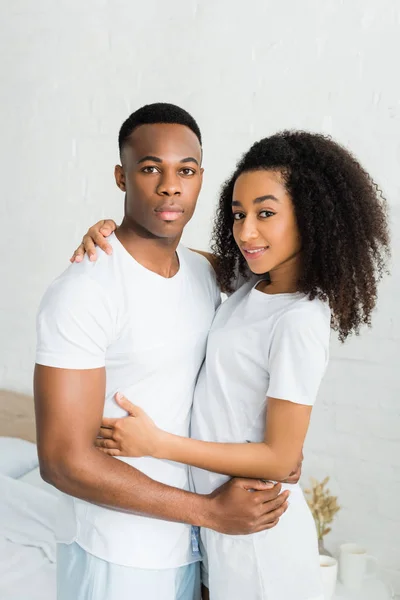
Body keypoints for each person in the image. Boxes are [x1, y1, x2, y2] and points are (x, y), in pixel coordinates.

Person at [76, 131, 390, 600]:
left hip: (262, 541)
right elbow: (173, 256)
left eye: (266, 213)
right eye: (239, 215)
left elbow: (282, 458)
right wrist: (112, 238)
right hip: (221, 525)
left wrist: (157, 443)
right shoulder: (254, 283)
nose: (246, 232)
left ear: (311, 215)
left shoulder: (300, 317)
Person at [34, 104, 292, 600]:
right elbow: (63, 461)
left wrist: (279, 449)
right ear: (121, 175)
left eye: (186, 171)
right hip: (118, 553)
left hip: (194, 547)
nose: (170, 186)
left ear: (201, 179)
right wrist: (210, 511)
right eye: (150, 168)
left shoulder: (203, 274)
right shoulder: (86, 289)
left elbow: (288, 272)